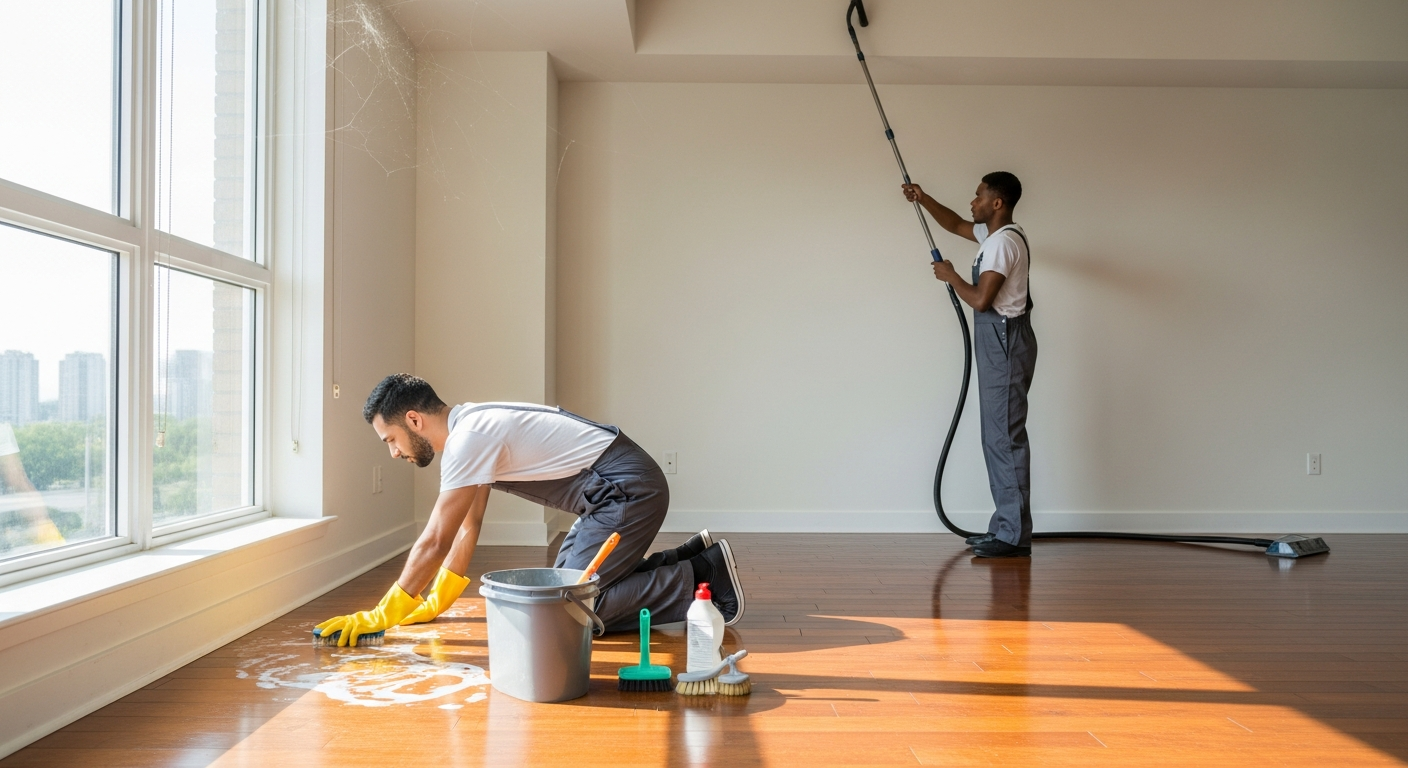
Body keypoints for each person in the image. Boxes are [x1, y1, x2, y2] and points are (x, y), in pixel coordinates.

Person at [315, 374, 746, 646]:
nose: (393, 453)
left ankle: (705, 581)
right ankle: (694, 560)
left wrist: (383, 613)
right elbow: (469, 526)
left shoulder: (467, 440)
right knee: (568, 586)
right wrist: (434, 600)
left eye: (390, 440)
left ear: (412, 420)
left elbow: (435, 539)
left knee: (567, 607)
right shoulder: (470, 427)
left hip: (624, 489)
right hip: (613, 492)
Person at [902, 172, 1036, 558]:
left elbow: (980, 300)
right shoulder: (996, 237)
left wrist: (951, 276)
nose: (972, 202)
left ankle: (1012, 535)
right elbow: (956, 224)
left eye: (979, 196)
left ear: (997, 203)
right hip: (1002, 340)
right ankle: (1006, 528)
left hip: (1004, 340)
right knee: (997, 436)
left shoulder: (1001, 245)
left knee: (1003, 438)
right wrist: (923, 198)